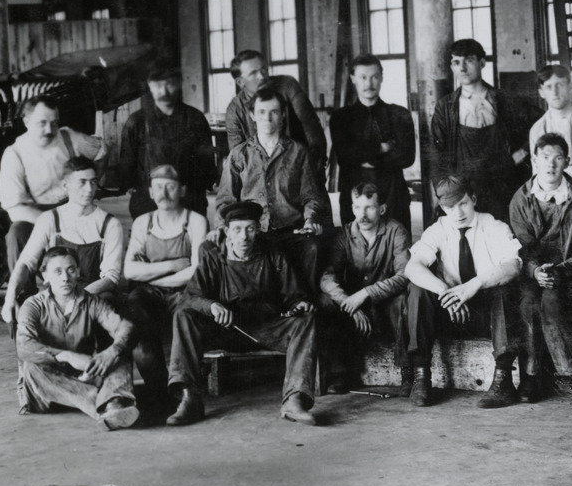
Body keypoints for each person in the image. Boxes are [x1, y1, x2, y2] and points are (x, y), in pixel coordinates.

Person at [164, 200, 320, 426]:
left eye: (250, 229)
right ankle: (190, 399)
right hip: (227, 329)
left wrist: (300, 303)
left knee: (306, 319)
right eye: (237, 229)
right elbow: (189, 297)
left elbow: (292, 294)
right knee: (184, 316)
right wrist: (211, 306)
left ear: (258, 229)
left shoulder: (273, 254)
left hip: (266, 328)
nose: (244, 236)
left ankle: (294, 400)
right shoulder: (214, 257)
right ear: (227, 231)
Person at [403, 174, 523, 409]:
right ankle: (421, 376)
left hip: (485, 313)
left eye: (463, 204)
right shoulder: (438, 229)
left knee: (504, 289)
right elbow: (412, 267)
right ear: (442, 208)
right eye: (450, 207)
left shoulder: (494, 226)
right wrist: (446, 293)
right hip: (450, 312)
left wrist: (473, 286)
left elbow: (513, 267)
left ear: (473, 199)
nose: (458, 213)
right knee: (418, 288)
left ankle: (504, 381)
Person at [508, 133, 572, 406]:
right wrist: (536, 271)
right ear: (534, 161)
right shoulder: (520, 199)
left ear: (567, 161)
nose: (551, 164)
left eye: (558, 158)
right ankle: (531, 374)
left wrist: (559, 271)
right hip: (533, 273)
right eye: (545, 157)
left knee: (552, 300)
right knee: (528, 301)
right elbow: (521, 248)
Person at [215, 86, 331, 288]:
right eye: (261, 112)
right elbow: (226, 200)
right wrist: (226, 229)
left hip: (291, 230)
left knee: (312, 248)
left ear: (283, 115)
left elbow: (310, 195)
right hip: (253, 232)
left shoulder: (299, 152)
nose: (267, 118)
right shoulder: (239, 155)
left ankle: (305, 302)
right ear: (252, 115)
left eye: (274, 112)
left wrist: (310, 220)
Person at [15, 246, 140, 430]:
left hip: (85, 375)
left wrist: (112, 351)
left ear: (78, 272)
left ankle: (111, 405)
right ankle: (107, 405)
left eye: (71, 270)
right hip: (47, 391)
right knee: (31, 366)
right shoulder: (33, 305)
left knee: (120, 354)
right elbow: (24, 346)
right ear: (45, 276)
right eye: (57, 272)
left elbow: (124, 327)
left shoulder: (91, 301)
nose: (65, 278)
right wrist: (66, 356)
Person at [122, 164, 211, 411]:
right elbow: (129, 271)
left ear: (182, 190)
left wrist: (152, 275)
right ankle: (158, 391)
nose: (164, 193)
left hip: (185, 291)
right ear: (151, 192)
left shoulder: (195, 221)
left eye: (170, 187)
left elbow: (196, 271)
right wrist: (173, 265)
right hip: (149, 293)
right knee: (136, 316)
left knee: (187, 316)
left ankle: (182, 390)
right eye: (158, 187)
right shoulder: (143, 222)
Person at [1, 157, 125, 326]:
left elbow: (111, 277)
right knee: (21, 312)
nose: (89, 189)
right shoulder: (50, 219)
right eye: (82, 182)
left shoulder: (110, 224)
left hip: (93, 293)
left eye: (93, 182)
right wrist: (9, 297)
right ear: (66, 185)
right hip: (58, 292)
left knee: (105, 305)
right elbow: (26, 262)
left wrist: (76, 299)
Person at [317, 182, 411, 394]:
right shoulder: (344, 235)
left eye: (369, 207)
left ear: (382, 209)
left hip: (385, 306)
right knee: (325, 301)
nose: (362, 215)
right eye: (358, 207)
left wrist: (366, 293)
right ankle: (341, 373)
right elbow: (327, 277)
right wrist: (348, 302)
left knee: (403, 300)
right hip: (353, 310)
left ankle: (408, 372)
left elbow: (405, 275)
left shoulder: (396, 231)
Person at [0, 95, 106, 272]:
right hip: (36, 214)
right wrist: (53, 225)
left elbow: (101, 151)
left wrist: (92, 183)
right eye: (42, 123)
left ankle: (85, 283)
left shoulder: (68, 137)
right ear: (26, 122)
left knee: (95, 230)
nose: (49, 130)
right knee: (17, 234)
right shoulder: (14, 154)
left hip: (72, 207)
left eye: (54, 123)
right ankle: (22, 288)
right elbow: (15, 207)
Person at [429, 39, 532, 223]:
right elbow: (437, 154)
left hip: (501, 187)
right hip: (463, 190)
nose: (462, 68)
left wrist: (522, 152)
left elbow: (541, 123)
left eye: (469, 60)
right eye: (456, 62)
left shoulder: (505, 100)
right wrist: (443, 193)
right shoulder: (445, 107)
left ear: (482, 63)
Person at [113, 65, 216, 219]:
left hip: (189, 199)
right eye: (158, 85)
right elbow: (127, 163)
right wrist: (131, 186)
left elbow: (207, 163)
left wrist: (198, 189)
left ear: (179, 83)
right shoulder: (137, 121)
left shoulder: (195, 118)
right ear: (150, 85)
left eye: (170, 84)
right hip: (148, 200)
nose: (164, 91)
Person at [329, 54, 416, 231]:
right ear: (353, 78)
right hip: (354, 196)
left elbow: (407, 157)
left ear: (382, 77)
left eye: (374, 77)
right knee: (357, 246)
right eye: (363, 77)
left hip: (393, 196)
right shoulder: (340, 118)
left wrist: (366, 158)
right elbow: (345, 156)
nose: (369, 84)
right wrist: (381, 147)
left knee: (396, 243)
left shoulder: (399, 114)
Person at [223, 49, 326, 171]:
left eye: (264, 69)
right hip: (259, 172)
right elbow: (238, 156)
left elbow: (310, 124)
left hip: (300, 165)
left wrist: (316, 164)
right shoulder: (234, 110)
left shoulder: (288, 85)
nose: (262, 76)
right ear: (240, 82)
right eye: (253, 73)